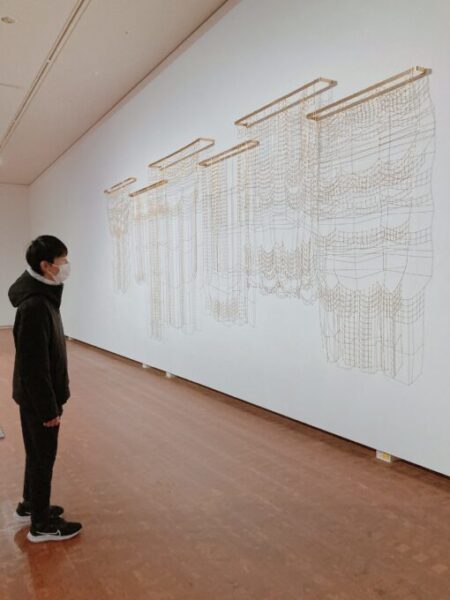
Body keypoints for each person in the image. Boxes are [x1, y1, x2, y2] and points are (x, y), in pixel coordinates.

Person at [8, 235, 82, 543]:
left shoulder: (42, 295)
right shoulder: (36, 305)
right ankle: (40, 525)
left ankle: (30, 504)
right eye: (62, 261)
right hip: (39, 400)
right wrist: (49, 409)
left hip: (35, 397)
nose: (66, 266)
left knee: (36, 453)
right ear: (46, 266)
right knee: (43, 458)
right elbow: (33, 366)